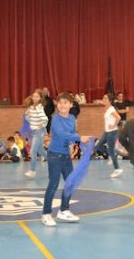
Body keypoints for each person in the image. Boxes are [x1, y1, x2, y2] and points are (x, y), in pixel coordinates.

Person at [41, 93, 91, 226]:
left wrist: (78, 145)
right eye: (60, 103)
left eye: (65, 102)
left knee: (70, 183)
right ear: (57, 105)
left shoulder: (72, 118)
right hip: (55, 156)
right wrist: (80, 138)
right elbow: (62, 134)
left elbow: (71, 135)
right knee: (53, 185)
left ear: (71, 104)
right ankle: (46, 214)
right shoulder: (56, 119)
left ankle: (64, 210)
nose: (62, 105)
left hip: (65, 156)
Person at [95, 93, 123, 178]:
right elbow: (104, 104)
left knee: (111, 151)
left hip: (112, 132)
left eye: (106, 98)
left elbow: (118, 117)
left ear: (110, 101)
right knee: (98, 146)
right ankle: (111, 155)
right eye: (103, 98)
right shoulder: (107, 108)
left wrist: (114, 125)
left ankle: (117, 169)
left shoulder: (111, 109)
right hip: (107, 132)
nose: (104, 99)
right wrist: (100, 102)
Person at [24, 89, 49, 178]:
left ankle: (32, 171)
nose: (34, 98)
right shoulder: (31, 107)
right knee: (40, 150)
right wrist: (26, 115)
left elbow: (45, 118)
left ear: (40, 98)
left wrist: (42, 124)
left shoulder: (39, 107)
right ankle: (54, 163)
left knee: (33, 151)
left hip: (40, 131)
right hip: (33, 132)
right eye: (33, 96)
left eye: (37, 97)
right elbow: (29, 120)